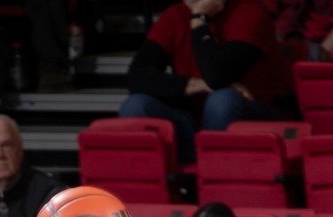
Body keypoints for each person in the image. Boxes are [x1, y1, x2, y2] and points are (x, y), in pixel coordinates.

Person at [121, 0, 292, 152]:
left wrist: (199, 20)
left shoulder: (250, 12)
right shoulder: (175, 15)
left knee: (222, 100)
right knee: (136, 105)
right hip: (195, 122)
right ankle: (156, 182)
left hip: (253, 118)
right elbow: (136, 77)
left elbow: (218, 76)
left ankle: (217, 173)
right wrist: (199, 84)